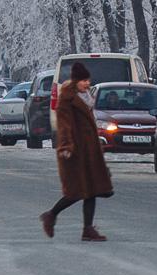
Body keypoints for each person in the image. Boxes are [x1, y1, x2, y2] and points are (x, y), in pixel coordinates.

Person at [41, 62, 114, 242]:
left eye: (88, 80)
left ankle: (87, 229)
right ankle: (51, 215)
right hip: (76, 151)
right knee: (76, 191)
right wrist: (65, 146)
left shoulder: (85, 97)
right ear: (75, 81)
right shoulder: (67, 98)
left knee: (92, 190)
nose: (87, 83)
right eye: (83, 81)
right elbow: (64, 124)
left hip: (90, 150)